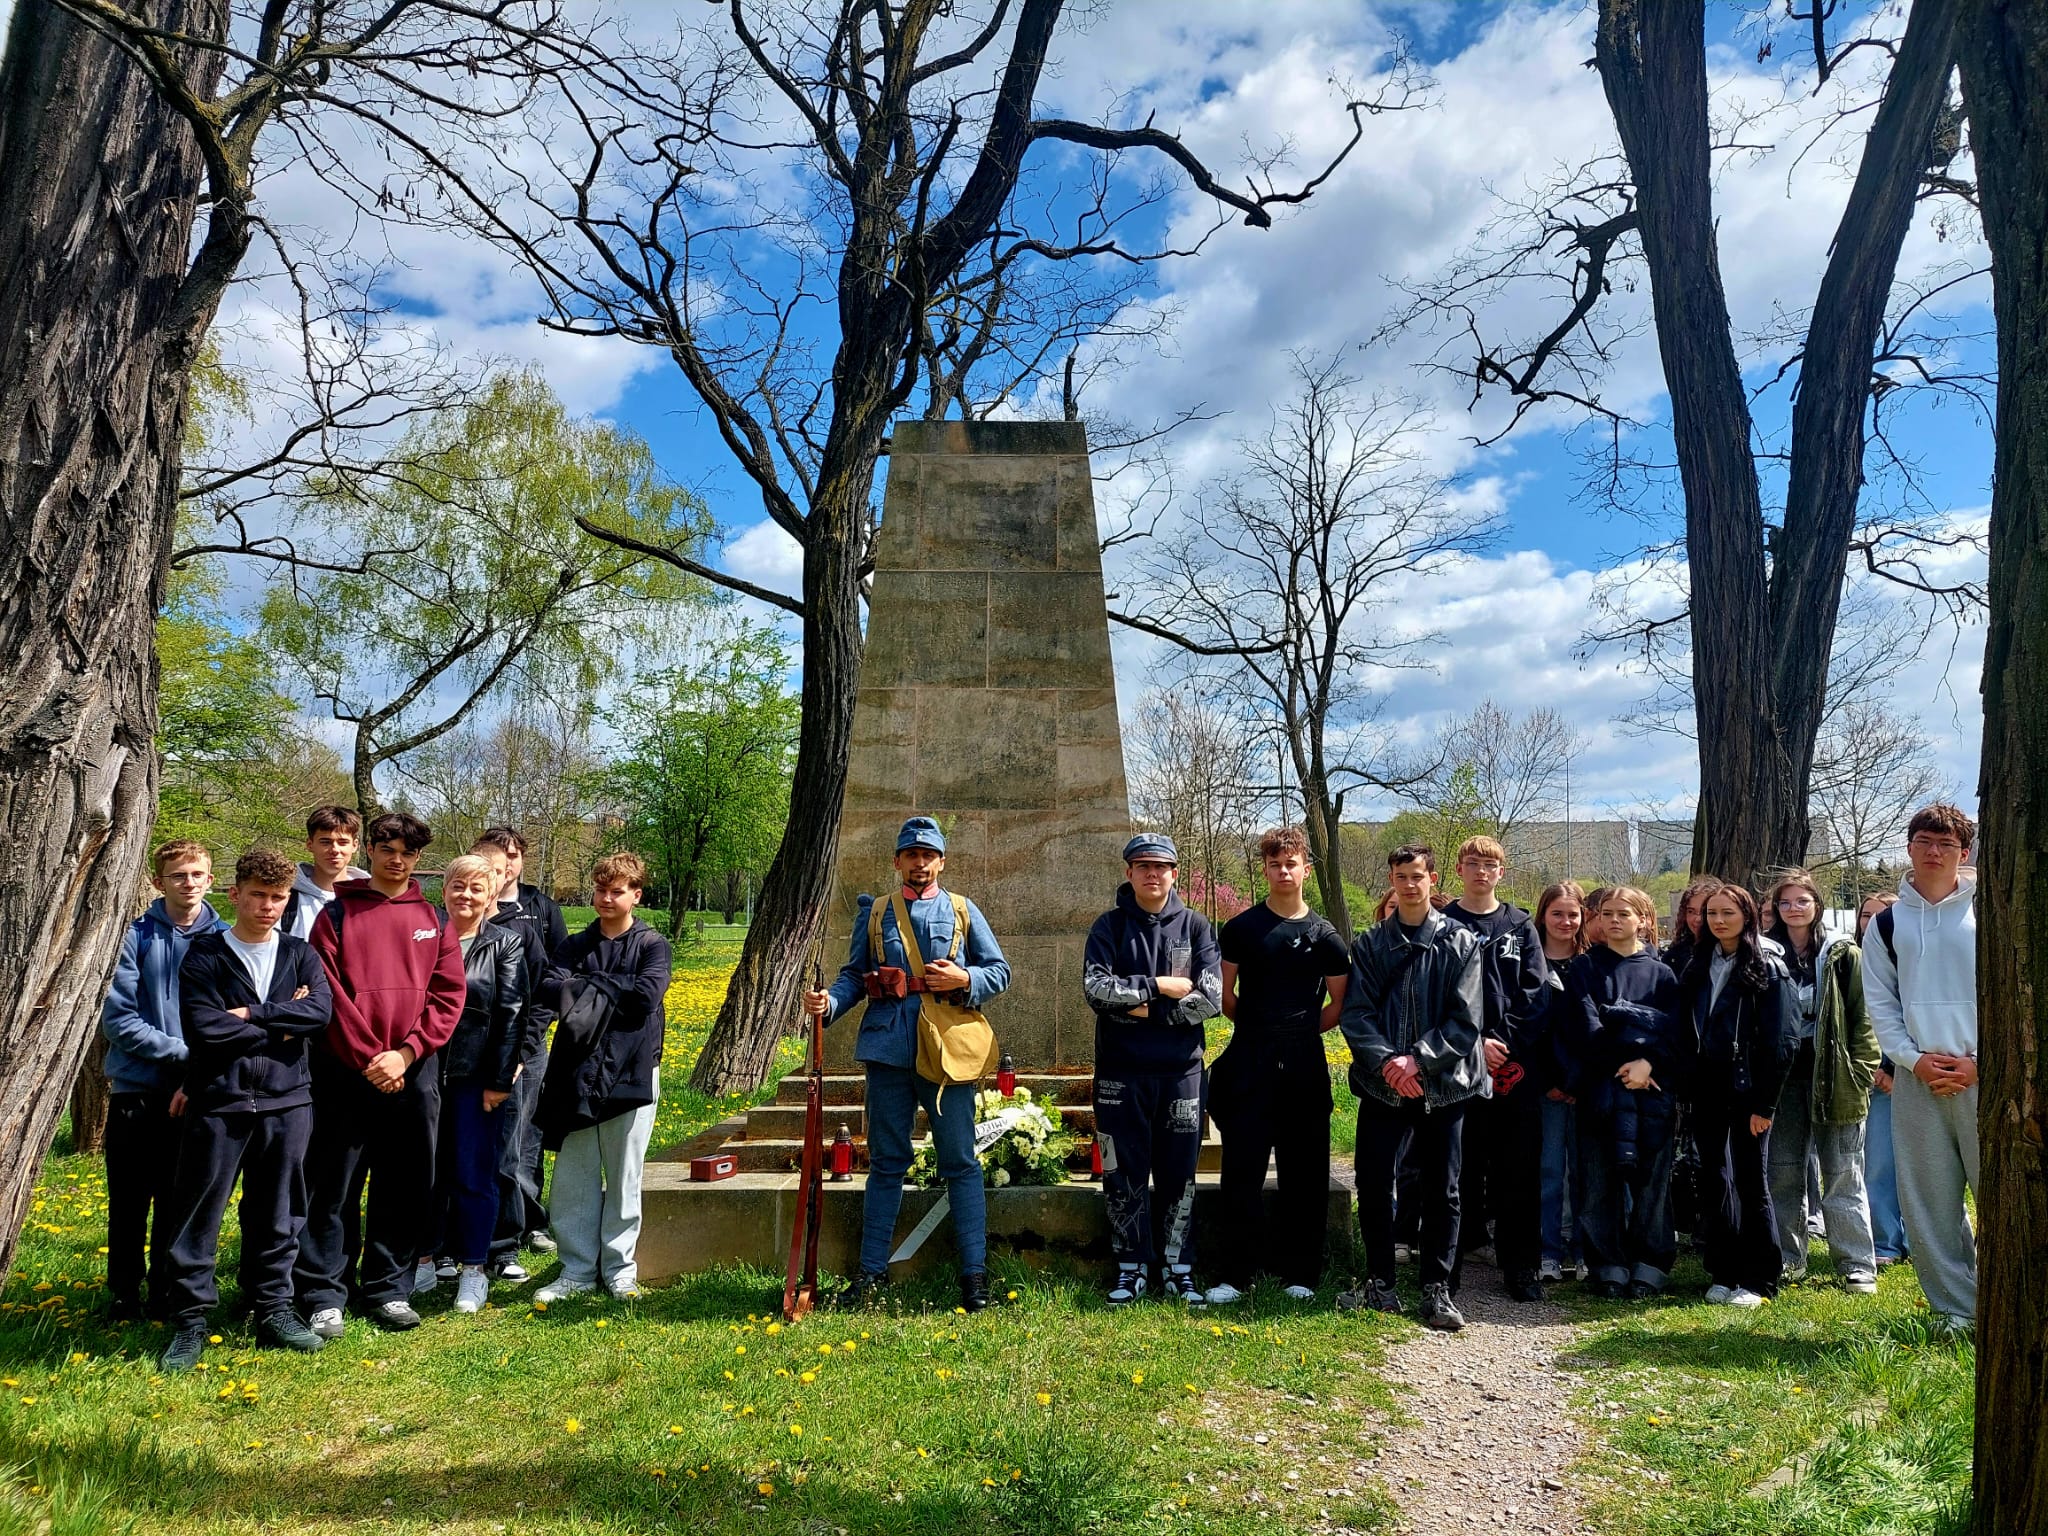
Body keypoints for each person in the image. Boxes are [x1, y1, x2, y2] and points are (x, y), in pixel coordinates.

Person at [804, 818, 1010, 1312]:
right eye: (910, 855)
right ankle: (871, 1275)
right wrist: (830, 1003)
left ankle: (975, 1277)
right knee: (887, 1163)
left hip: (945, 1053)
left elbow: (999, 971)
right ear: (897, 861)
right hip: (889, 1051)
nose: (919, 863)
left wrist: (964, 977)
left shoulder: (962, 910)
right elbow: (855, 974)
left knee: (960, 1162)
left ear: (941, 861)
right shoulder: (875, 913)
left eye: (928, 855)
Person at [156, 850, 334, 1370]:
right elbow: (206, 1030)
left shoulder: (301, 954)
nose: (267, 906)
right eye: (257, 894)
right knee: (199, 1213)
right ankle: (189, 1321)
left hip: (288, 1100)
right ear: (234, 894)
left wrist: (253, 1013)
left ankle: (273, 1309)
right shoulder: (206, 956)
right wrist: (284, 1021)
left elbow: (319, 1013)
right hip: (220, 1102)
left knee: (279, 1211)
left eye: (278, 897)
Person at [294, 812, 467, 1336]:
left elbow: (448, 995)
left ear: (418, 860)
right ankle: (325, 1291)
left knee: (405, 1181)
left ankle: (388, 1288)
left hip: (412, 1072)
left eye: (408, 853)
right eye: (388, 849)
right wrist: (372, 1057)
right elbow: (328, 994)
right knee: (333, 1185)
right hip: (347, 1072)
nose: (397, 860)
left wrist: (407, 1054)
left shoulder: (435, 921)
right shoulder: (337, 916)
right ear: (370, 849)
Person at [1336, 844, 1485, 1332]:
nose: (1409, 884)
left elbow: (1466, 1023)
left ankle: (1437, 1289)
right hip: (1383, 1088)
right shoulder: (1370, 944)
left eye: (1417, 875)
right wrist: (1388, 1064)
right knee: (1375, 1183)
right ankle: (1380, 1284)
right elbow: (1356, 1014)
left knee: (1444, 1189)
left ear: (1433, 878)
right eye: (1400, 876)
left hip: (1444, 1086)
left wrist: (1417, 1060)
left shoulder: (1463, 943)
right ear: (1392, 880)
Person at [1204, 827, 1349, 1305]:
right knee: (1241, 1169)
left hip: (1305, 1065)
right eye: (1275, 864)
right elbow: (1226, 997)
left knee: (1304, 1170)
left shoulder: (1326, 936)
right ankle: (1233, 1274)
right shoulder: (1241, 929)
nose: (1283, 871)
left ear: (1306, 869)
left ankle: (1300, 1275)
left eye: (1292, 863)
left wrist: (1299, 1031)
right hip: (1249, 1061)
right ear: (1264, 869)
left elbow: (1338, 1005)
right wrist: (1261, 1032)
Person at [1081, 833, 1223, 1307]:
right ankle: (1130, 1267)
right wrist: (1158, 985)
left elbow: (1211, 1000)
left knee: (1179, 1171)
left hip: (1181, 1073)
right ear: (1129, 873)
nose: (1152, 874)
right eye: (1142, 866)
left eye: (1161, 867)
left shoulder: (1198, 927)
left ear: (1175, 873)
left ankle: (1178, 1269)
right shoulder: (1108, 927)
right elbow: (1097, 992)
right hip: (1121, 1075)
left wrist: (1141, 1006)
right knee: (1124, 1171)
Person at [534, 851, 674, 1302]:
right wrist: (610, 987)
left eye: (616, 891)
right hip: (576, 1071)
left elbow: (647, 995)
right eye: (600, 889)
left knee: (623, 1173)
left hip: (632, 1072)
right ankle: (575, 1270)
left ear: (636, 895)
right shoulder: (574, 945)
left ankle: (619, 1269)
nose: (605, 898)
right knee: (574, 1175)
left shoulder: (653, 945)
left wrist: (590, 988)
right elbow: (550, 988)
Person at [99, 839, 228, 1321]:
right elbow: (119, 1021)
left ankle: (167, 1290)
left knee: (181, 1199)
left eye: (197, 874)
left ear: (210, 880)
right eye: (178, 875)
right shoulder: (133, 937)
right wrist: (187, 1053)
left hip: (196, 1091)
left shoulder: (227, 939)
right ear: (159, 882)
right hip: (138, 1087)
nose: (188, 883)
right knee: (130, 1198)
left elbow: (230, 1019)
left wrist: (199, 1069)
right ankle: (123, 1293)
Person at [1862, 804, 1979, 1333]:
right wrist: (1913, 1060)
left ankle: (2009, 1302)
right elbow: (1880, 1004)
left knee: (2000, 1192)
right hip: (1917, 1077)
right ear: (1909, 846)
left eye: (1947, 844)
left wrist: (1981, 1063)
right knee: (1929, 1200)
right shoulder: (1887, 922)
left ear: (1965, 852)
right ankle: (1957, 1309)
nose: (1935, 852)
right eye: (1925, 841)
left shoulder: (1990, 909)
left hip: (1984, 1077)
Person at [1559, 887, 1686, 1299]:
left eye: (1624, 914)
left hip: (1652, 1091)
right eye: (1607, 913)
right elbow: (1586, 1025)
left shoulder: (1663, 974)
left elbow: (1674, 1031)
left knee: (1651, 1181)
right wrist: (1629, 1060)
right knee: (1599, 1179)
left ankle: (1649, 1264)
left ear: (1643, 920)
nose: (1614, 921)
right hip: (1601, 1087)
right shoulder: (1584, 968)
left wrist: (1648, 1063)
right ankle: (1607, 1264)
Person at [415, 855, 528, 1314]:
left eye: (476, 889)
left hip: (476, 1077)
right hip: (423, 1072)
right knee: (423, 1172)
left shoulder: (504, 944)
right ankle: (422, 1257)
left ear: (489, 896)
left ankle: (474, 1268)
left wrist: (499, 1080)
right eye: (458, 886)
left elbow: (511, 1013)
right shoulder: (423, 938)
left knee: (474, 1174)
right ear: (443, 890)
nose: (466, 896)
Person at [1441, 836, 1549, 1303]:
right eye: (1472, 864)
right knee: (1457, 1168)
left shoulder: (1520, 926)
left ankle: (1520, 1267)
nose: (1481, 872)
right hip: (1457, 1067)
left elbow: (1536, 992)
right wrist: (1472, 1043)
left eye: (1490, 865)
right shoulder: (1444, 925)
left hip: (1512, 1069)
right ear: (1460, 870)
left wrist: (1501, 1041)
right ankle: (1449, 1268)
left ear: (1501, 872)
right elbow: (1437, 991)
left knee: (1517, 1170)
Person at [1761, 870, 1880, 1292]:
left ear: (1817, 905)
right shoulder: (1763, 954)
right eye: (1785, 902)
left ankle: (1856, 1263)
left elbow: (1863, 1018)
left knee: (1843, 1170)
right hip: (1783, 1080)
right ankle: (1789, 1259)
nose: (1793, 909)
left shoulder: (1841, 953)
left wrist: (1863, 1070)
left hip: (1835, 1076)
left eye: (1801, 901)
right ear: (1775, 909)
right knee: (1783, 1170)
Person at [1682, 883, 1797, 1307]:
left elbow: (1781, 1041)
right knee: (1714, 1179)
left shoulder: (1768, 966)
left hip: (1749, 1091)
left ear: (1747, 916)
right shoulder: (1698, 962)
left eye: (1727, 913)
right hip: (1707, 1087)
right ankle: (1723, 1271)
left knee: (1751, 1181)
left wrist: (1765, 1104)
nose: (1718, 920)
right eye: (1712, 913)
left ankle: (1760, 1278)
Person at [476, 825, 567, 1268]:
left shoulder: (540, 910)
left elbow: (551, 979)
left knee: (523, 1139)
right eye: (497, 860)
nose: (507, 866)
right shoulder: (463, 908)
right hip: (471, 1051)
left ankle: (528, 1222)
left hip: (526, 1046)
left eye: (514, 857)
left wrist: (526, 1043)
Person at [1532, 880, 1590, 1282]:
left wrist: (1578, 1080)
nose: (1565, 921)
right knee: (1550, 1172)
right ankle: (1548, 1251)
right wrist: (1551, 1079)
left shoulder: (1592, 963)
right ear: (1543, 916)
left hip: (1586, 1087)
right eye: (1558, 913)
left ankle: (1585, 1250)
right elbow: (1527, 1030)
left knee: (1586, 1173)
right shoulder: (1529, 964)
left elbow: (1598, 1031)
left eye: (1573, 914)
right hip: (1545, 1086)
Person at [1855, 892, 1909, 1267]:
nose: (1871, 921)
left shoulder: (1911, 960)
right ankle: (1888, 1242)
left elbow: (1900, 1017)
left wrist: (1893, 1067)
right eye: (1866, 915)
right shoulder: (1848, 962)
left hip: (1912, 1073)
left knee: (1926, 1168)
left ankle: (1927, 1240)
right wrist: (1875, 1069)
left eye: (1881, 915)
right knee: (1878, 1165)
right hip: (1873, 1081)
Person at [281, 805, 369, 940]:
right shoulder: (285, 898)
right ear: (310, 844)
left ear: (355, 845)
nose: (334, 849)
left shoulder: (371, 899)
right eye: (325, 842)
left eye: (343, 842)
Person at [1662, 876, 1724, 977]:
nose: (1698, 919)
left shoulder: (1730, 953)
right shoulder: (1674, 957)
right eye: (1691, 911)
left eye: (1705, 911)